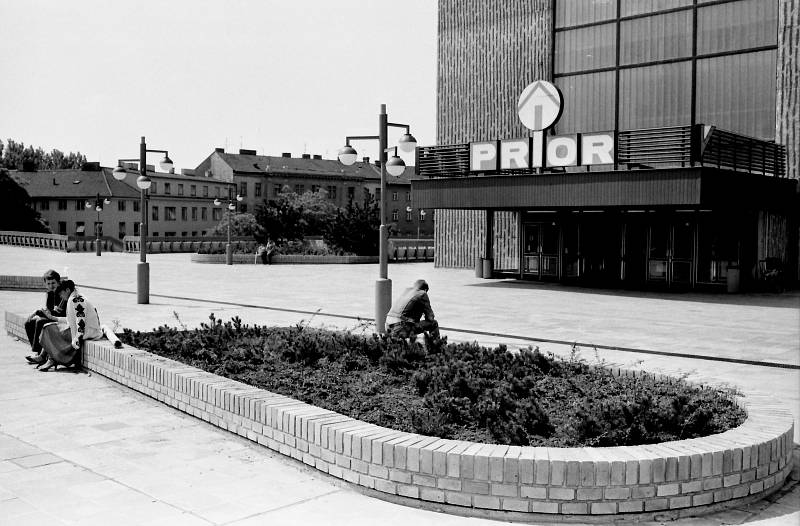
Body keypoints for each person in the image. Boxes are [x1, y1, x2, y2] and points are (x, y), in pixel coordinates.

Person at [35, 280, 104, 371]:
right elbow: (71, 320)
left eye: (61, 293)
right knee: (49, 326)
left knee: (49, 329)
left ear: (67, 290)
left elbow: (81, 320)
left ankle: (51, 359)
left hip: (87, 332)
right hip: (83, 330)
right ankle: (49, 358)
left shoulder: (76, 299)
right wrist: (53, 318)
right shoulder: (74, 297)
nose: (61, 296)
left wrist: (77, 337)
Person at [24, 269, 67, 361]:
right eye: (48, 284)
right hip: (53, 317)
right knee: (29, 323)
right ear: (45, 284)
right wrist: (38, 313)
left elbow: (56, 314)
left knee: (40, 321)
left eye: (53, 283)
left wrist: (37, 312)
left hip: (62, 320)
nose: (51, 286)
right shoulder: (49, 293)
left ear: (58, 282)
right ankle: (39, 352)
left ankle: (40, 355)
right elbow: (49, 311)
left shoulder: (62, 293)